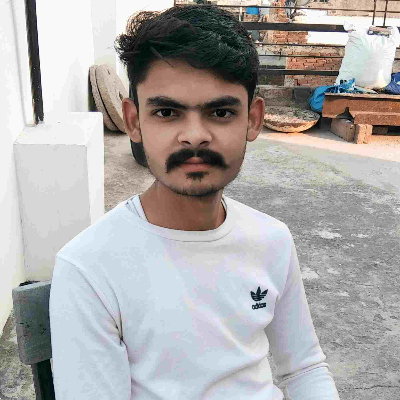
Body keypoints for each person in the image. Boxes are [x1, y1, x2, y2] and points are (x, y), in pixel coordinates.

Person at [49, 5, 340, 400]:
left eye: (220, 112)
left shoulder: (272, 240)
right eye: (167, 112)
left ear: (253, 119)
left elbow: (305, 369)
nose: (194, 136)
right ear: (133, 121)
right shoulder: (89, 268)